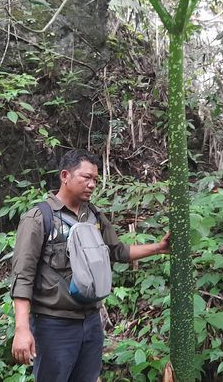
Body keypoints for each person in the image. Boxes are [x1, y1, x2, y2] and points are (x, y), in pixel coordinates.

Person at [9, 149, 170, 381]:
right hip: (54, 324)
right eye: (86, 177)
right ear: (65, 176)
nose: (92, 184)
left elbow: (118, 251)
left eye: (95, 179)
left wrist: (158, 248)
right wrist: (22, 328)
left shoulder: (94, 216)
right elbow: (23, 276)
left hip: (91, 322)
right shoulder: (39, 218)